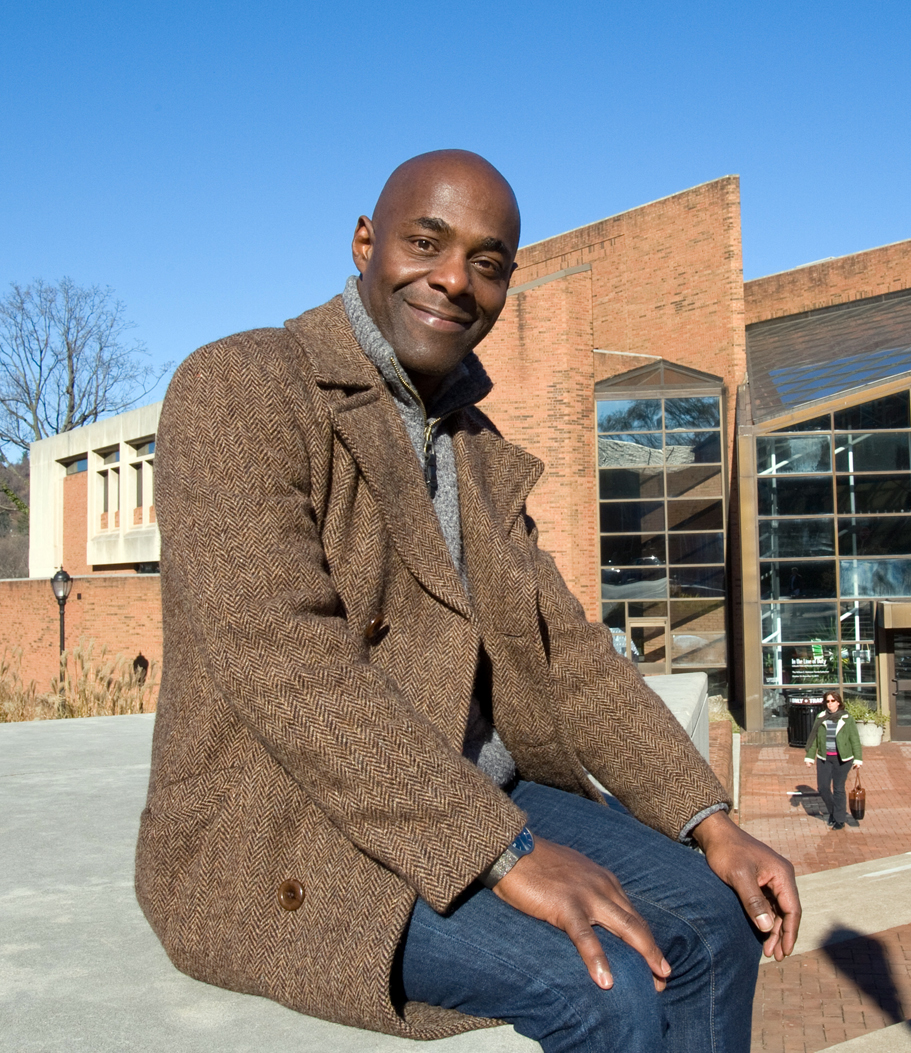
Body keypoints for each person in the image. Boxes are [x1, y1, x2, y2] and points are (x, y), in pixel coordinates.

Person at [134, 150, 800, 1053]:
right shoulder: (243, 386)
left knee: (720, 921)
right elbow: (289, 667)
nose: (454, 279)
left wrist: (709, 820)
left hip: (467, 789)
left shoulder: (472, 444)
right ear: (366, 243)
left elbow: (567, 656)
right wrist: (505, 853)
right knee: (604, 986)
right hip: (286, 823)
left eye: (487, 263)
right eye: (427, 242)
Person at [803, 691, 862, 829]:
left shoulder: (847, 718)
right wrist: (810, 757)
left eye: (833, 701)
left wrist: (858, 759)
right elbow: (814, 739)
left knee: (838, 789)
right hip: (824, 758)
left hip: (843, 759)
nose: (830, 704)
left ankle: (839, 820)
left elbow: (855, 739)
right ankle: (833, 812)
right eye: (828, 701)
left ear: (838, 702)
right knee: (823, 788)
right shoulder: (821, 717)